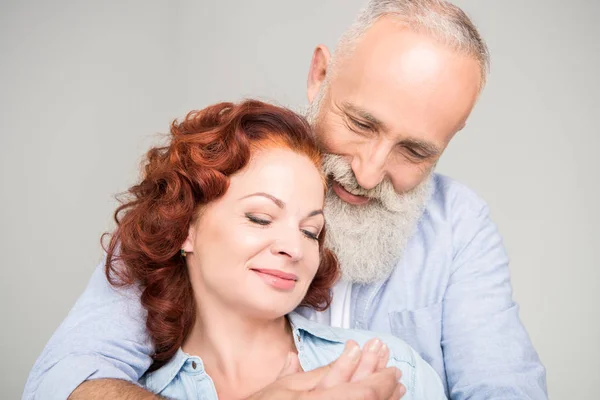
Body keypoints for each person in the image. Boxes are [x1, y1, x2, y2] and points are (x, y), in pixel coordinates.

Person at [24, 1, 547, 399]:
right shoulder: (206, 185)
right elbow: (70, 377)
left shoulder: (457, 228)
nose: (367, 172)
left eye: (414, 150)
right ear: (320, 75)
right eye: (361, 123)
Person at [97, 99, 445, 400]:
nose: (294, 248)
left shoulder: (391, 370)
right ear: (185, 228)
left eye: (311, 231)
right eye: (260, 218)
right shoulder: (127, 390)